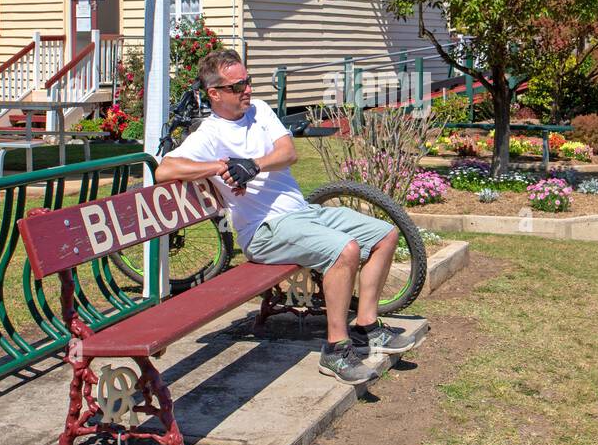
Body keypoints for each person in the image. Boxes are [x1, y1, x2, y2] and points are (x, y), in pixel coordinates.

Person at [152, 49, 423, 384]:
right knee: (345, 250)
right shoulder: (210, 134)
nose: (247, 90)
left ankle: (366, 325)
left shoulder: (260, 110)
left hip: (301, 213)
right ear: (215, 94)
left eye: (248, 82)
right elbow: (165, 170)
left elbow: (288, 152)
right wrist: (220, 166)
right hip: (263, 231)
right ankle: (336, 350)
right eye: (237, 87)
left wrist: (252, 165)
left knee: (384, 234)